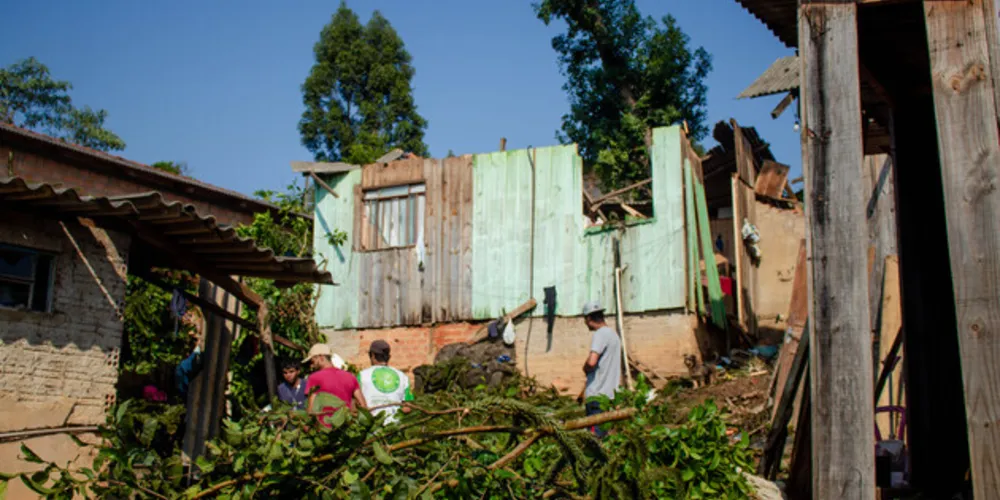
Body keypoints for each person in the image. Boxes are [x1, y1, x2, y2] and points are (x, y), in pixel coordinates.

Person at [576, 300, 622, 438]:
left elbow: (592, 362)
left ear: (589, 318)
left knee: (593, 440)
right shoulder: (614, 335)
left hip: (596, 397)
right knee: (604, 437)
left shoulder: (600, 334)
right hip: (609, 397)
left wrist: (585, 368)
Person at [303, 344, 367, 426]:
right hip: (345, 427)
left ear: (321, 357)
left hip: (324, 429)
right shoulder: (350, 376)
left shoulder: (314, 378)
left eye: (313, 361)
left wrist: (307, 426)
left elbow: (311, 410)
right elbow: (363, 405)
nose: (311, 365)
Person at [358, 340, 413, 425]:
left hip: (371, 427)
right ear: (389, 357)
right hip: (394, 428)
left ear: (372, 355)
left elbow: (357, 404)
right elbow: (408, 407)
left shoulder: (361, 376)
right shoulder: (403, 377)